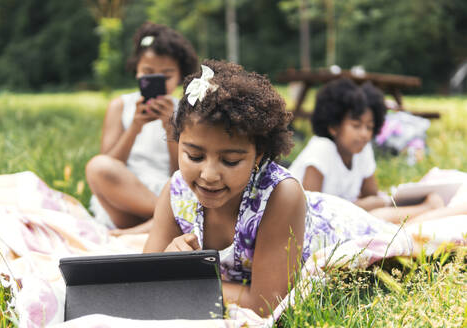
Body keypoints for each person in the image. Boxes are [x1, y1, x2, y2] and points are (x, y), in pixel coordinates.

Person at [143, 60, 410, 316]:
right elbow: (143, 281)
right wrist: (169, 262)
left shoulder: (280, 196)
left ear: (258, 155)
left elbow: (265, 304)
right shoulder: (176, 193)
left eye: (230, 160)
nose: (209, 175)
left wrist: (185, 281)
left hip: (338, 227)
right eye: (195, 156)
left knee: (406, 234)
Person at [85, 22, 198, 231]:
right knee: (97, 166)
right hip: (122, 196)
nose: (157, 80)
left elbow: (183, 171)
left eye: (166, 75)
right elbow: (110, 163)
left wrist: (170, 129)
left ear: (180, 76)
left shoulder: (186, 110)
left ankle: (155, 223)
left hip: (165, 191)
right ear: (136, 70)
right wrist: (134, 127)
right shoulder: (120, 106)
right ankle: (174, 218)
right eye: (148, 72)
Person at [288, 78, 444, 217]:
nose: (364, 134)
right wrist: (361, 206)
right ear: (334, 127)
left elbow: (373, 195)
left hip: (344, 217)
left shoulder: (362, 150)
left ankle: (427, 208)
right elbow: (312, 211)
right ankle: (427, 208)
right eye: (356, 126)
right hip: (307, 223)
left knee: (377, 213)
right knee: (377, 215)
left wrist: (370, 204)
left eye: (369, 127)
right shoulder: (322, 149)